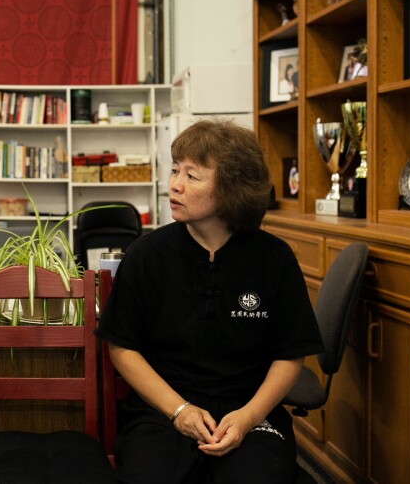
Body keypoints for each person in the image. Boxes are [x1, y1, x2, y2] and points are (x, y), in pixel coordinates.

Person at [96, 119, 323, 483]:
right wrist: (179, 411)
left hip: (251, 411)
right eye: (174, 170)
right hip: (163, 409)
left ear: (231, 188)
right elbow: (122, 348)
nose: (174, 184)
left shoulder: (274, 258)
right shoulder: (145, 255)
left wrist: (249, 416)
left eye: (192, 175)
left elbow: (290, 354)